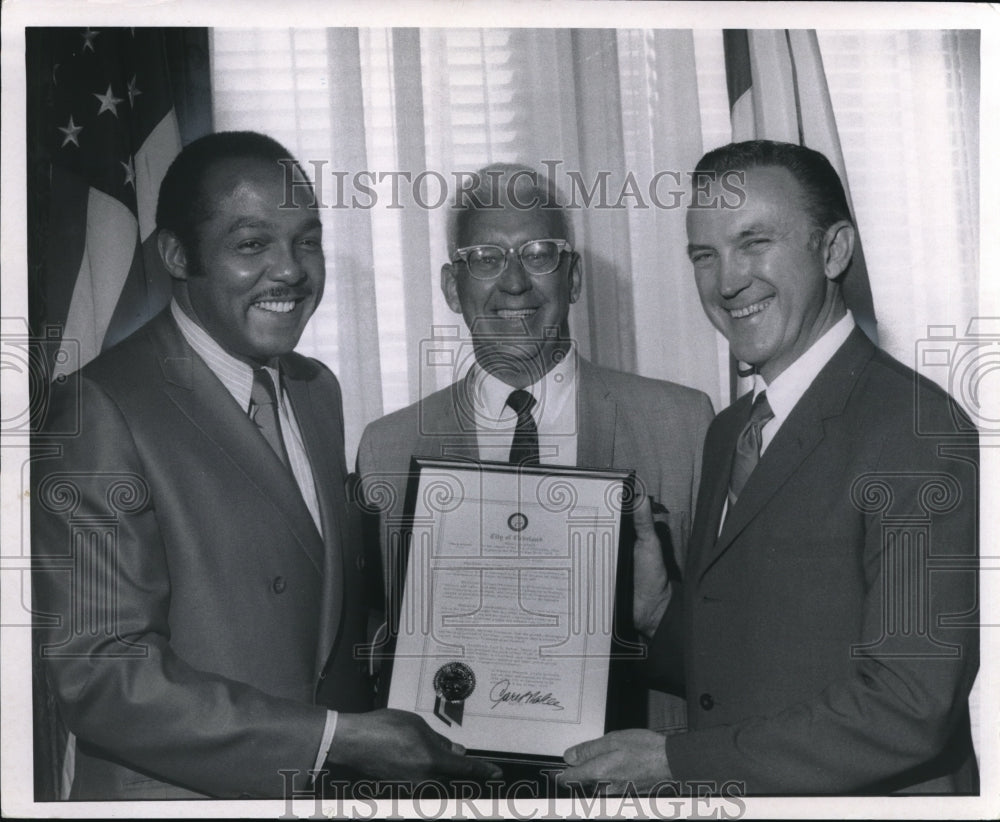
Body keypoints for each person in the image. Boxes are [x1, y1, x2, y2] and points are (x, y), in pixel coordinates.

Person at [31, 131, 498, 800]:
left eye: (306, 241)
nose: (290, 271)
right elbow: (102, 675)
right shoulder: (100, 408)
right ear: (176, 254)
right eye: (252, 245)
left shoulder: (315, 390)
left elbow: (320, 618)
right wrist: (337, 740)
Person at [558, 140, 979, 794]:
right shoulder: (731, 432)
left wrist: (677, 761)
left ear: (834, 250)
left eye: (754, 242)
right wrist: (659, 610)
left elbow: (909, 707)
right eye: (706, 254)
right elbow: (746, 670)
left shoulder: (914, 429)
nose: (727, 281)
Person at [356, 163, 714, 737]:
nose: (514, 283)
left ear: (572, 278)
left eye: (540, 253)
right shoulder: (388, 450)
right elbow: (379, 651)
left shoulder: (683, 425)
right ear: (452, 288)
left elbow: (726, 642)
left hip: (636, 777)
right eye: (485, 259)